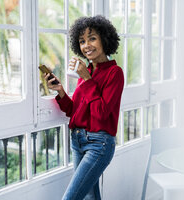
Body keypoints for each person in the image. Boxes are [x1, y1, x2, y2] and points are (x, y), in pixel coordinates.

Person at [44, 15, 124, 200]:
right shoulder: (86, 72)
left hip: (99, 144)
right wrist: (60, 91)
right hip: (77, 140)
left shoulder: (114, 73)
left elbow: (101, 114)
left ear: (105, 39)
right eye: (82, 41)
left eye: (92, 38)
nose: (86, 45)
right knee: (89, 197)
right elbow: (75, 111)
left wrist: (87, 80)